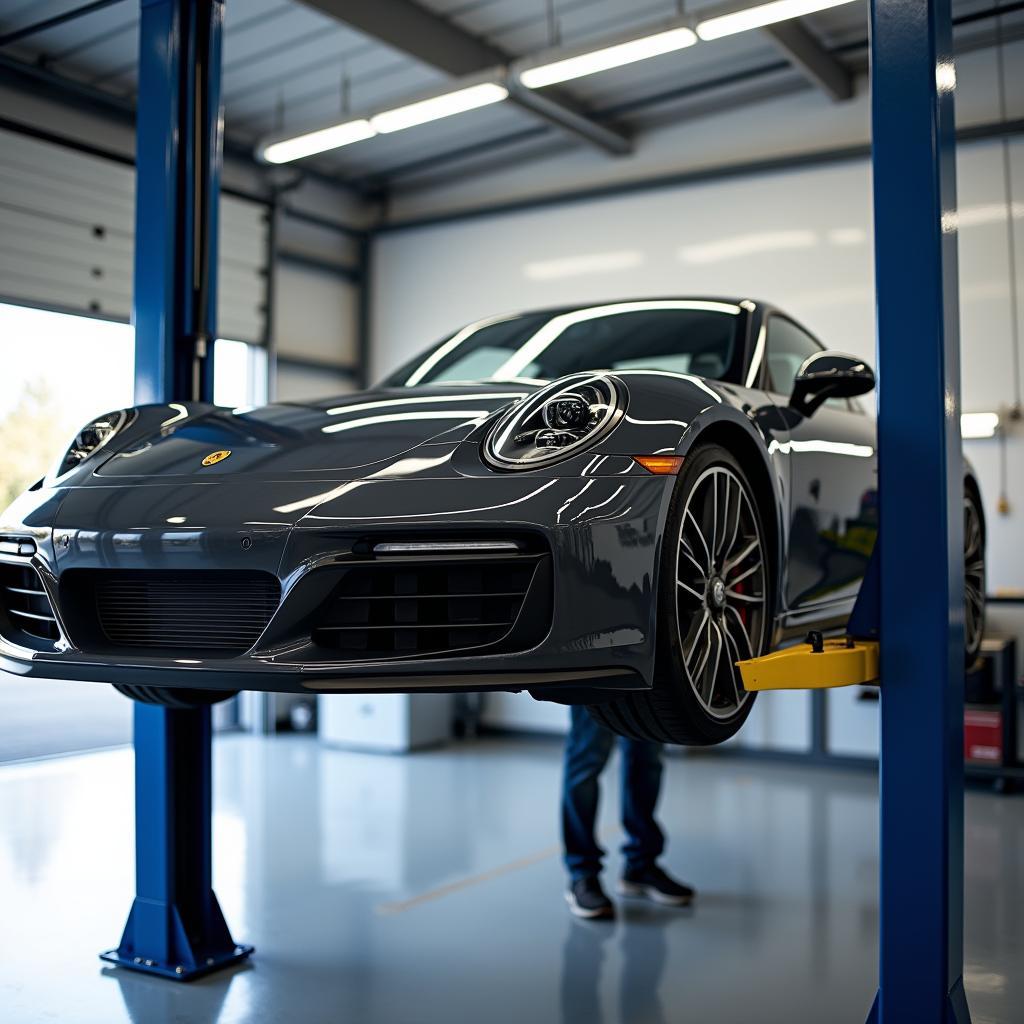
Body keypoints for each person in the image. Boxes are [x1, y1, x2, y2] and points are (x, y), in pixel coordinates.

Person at [562, 705, 694, 919]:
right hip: (592, 676)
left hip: (650, 679)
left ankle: (640, 867)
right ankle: (582, 873)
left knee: (647, 758)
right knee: (586, 761)